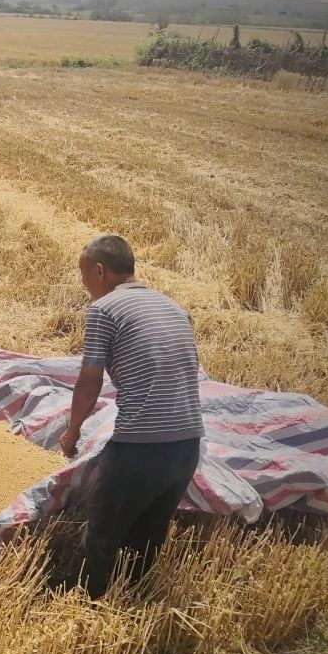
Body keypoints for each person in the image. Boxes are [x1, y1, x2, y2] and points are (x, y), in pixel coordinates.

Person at [60, 235, 204, 599]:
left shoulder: (104, 310)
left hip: (140, 449)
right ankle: (133, 604)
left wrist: (72, 431)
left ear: (99, 271)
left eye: (83, 275)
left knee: (101, 540)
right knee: (146, 540)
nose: (84, 285)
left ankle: (88, 610)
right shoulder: (174, 307)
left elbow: (89, 379)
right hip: (188, 446)